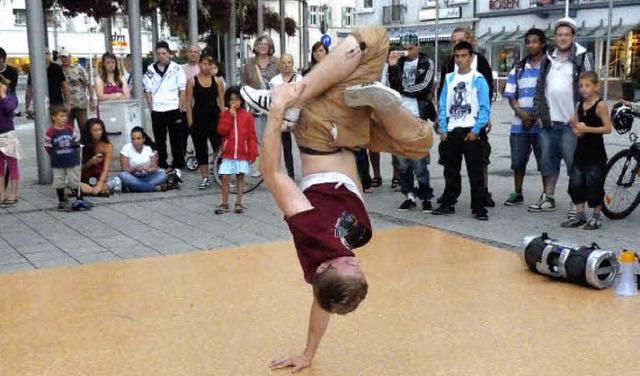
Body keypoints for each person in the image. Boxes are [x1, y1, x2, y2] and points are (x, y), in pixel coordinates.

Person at [244, 25, 432, 372]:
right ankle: (379, 102)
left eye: (350, 266)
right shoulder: (327, 276)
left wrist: (276, 112)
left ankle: (291, 95)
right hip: (354, 137)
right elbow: (323, 305)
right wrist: (308, 355)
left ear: (327, 266)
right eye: (358, 269)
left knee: (373, 38)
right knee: (421, 142)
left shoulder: (311, 230)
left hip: (324, 131)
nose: (356, 262)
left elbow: (272, 174)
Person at [531, 17, 594, 216]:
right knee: (548, 163)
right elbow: (540, 87)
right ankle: (548, 197)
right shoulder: (548, 58)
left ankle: (577, 203)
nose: (563, 38)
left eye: (567, 35)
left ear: (573, 37)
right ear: (555, 37)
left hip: (571, 123)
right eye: (559, 34)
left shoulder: (583, 57)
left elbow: (590, 89)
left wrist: (581, 118)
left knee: (574, 166)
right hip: (549, 122)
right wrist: (539, 114)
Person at [437, 27, 495, 208]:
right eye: (453, 43)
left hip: (473, 123)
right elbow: (443, 96)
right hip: (453, 124)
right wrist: (442, 123)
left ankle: (481, 198)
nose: (459, 56)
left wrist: (482, 121)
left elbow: (487, 93)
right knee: (450, 165)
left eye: (460, 41)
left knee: (478, 164)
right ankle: (449, 197)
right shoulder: (448, 66)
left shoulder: (481, 64)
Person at [387, 32, 436, 213]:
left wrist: (402, 89)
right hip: (399, 116)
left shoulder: (426, 62)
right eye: (405, 48)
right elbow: (391, 87)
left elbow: (423, 87)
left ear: (418, 46)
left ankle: (426, 196)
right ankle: (409, 196)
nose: (408, 50)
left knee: (419, 161)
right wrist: (392, 67)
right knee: (402, 162)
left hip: (417, 116)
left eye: (411, 47)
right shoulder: (398, 63)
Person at [560, 71, 612, 230]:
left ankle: (596, 216)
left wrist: (587, 129)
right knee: (576, 182)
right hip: (580, 152)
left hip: (595, 153)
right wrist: (574, 127)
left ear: (596, 86)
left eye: (587, 85)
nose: (583, 89)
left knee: (594, 183)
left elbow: (608, 128)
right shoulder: (579, 105)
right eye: (581, 86)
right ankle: (580, 215)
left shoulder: (600, 105)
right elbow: (577, 124)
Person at [502, 28, 547, 206]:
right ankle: (517, 192)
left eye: (535, 41)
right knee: (518, 161)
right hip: (519, 123)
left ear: (542, 43)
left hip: (542, 123)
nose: (531, 45)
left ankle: (546, 194)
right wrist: (521, 114)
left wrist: (535, 117)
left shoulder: (549, 67)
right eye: (528, 42)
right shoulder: (518, 68)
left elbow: (550, 94)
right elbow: (511, 95)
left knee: (545, 161)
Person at [143, 41, 187, 169]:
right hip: (157, 110)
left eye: (164, 53)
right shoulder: (150, 70)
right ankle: (162, 163)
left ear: (169, 54)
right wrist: (151, 108)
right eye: (159, 54)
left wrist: (180, 107)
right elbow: (147, 90)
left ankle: (178, 163)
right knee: (160, 140)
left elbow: (182, 90)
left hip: (173, 108)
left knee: (176, 139)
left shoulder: (177, 69)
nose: (161, 56)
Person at [214, 86, 258, 215]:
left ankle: (238, 202)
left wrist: (252, 153)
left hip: (242, 153)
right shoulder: (224, 115)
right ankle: (224, 202)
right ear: (227, 101)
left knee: (240, 177)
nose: (234, 102)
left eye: (237, 99)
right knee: (225, 178)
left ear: (242, 100)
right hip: (228, 153)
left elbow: (251, 136)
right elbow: (222, 131)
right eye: (231, 100)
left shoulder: (247, 116)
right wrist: (230, 118)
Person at [185, 54, 225, 189]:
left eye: (209, 64)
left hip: (215, 119)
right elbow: (188, 103)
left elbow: (221, 102)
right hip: (198, 119)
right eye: (203, 64)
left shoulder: (218, 81)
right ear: (199, 64)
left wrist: (224, 120)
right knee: (200, 149)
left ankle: (219, 175)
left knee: (219, 148)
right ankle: (205, 177)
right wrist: (190, 123)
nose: (206, 67)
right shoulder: (192, 81)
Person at [269, 53, 302, 179]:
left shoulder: (299, 79)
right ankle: (291, 175)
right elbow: (273, 100)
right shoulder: (275, 81)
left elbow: (302, 97)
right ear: (279, 65)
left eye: (289, 62)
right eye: (283, 62)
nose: (286, 65)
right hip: (282, 118)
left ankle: (306, 174)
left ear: (293, 64)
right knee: (286, 148)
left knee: (302, 147)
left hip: (298, 117)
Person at [44, 105, 83, 211]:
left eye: (65, 116)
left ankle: (80, 199)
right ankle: (61, 201)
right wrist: (54, 154)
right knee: (59, 181)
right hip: (58, 161)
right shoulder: (50, 132)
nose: (64, 118)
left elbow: (75, 141)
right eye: (61, 116)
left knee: (74, 180)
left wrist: (76, 150)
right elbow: (48, 146)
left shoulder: (70, 129)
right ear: (54, 117)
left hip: (72, 160)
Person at [241, 35, 279, 142]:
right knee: (257, 137)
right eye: (260, 44)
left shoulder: (277, 62)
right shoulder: (249, 63)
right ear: (256, 46)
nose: (263, 46)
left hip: (272, 105)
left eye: (266, 44)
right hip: (255, 106)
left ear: (270, 47)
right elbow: (244, 83)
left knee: (272, 138)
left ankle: (270, 158)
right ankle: (259, 157)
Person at [119, 126, 176, 192]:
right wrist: (134, 169)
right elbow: (125, 169)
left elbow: (154, 167)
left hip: (148, 176)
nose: (136, 141)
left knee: (164, 173)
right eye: (133, 139)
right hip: (133, 176)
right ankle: (154, 188)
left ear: (144, 139)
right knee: (123, 176)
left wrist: (148, 169)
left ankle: (133, 187)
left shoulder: (150, 148)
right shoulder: (126, 148)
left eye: (138, 138)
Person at [59, 49, 94, 131]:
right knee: (67, 129)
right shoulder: (58, 69)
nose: (64, 59)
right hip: (65, 105)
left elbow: (88, 83)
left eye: (66, 57)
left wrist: (92, 99)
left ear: (70, 57)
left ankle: (85, 143)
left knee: (84, 127)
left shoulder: (78, 68)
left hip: (80, 103)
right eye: (62, 57)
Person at [80, 118, 115, 196]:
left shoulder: (107, 146)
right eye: (95, 130)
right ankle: (88, 189)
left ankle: (97, 189)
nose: (98, 133)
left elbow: (106, 168)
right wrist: (90, 162)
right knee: (69, 181)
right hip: (85, 178)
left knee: (116, 181)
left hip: (100, 178)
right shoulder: (82, 145)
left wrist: (100, 183)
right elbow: (79, 169)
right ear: (89, 132)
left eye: (100, 130)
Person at [0, 78, 20, 204]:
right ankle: (1, 193)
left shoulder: (8, 97)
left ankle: (13, 193)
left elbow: (10, 108)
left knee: (12, 165)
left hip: (7, 135)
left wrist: (3, 95)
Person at [181, 44, 201, 157]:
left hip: (198, 109)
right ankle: (181, 160)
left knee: (198, 137)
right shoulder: (180, 69)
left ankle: (199, 158)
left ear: (199, 54)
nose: (193, 54)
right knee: (182, 136)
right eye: (191, 51)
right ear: (187, 53)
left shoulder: (203, 68)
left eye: (195, 52)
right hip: (184, 108)